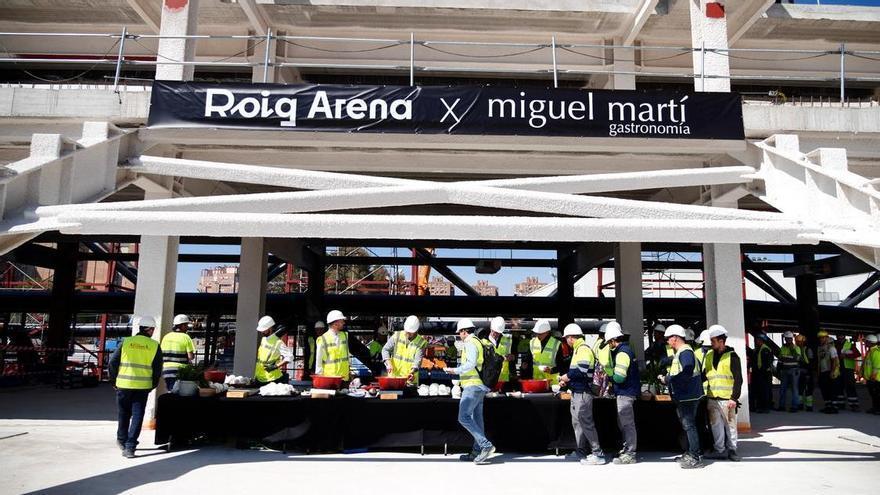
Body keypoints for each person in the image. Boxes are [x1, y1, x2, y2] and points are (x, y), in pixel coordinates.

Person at [109, 315, 163, 459]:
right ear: (150, 330)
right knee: (137, 416)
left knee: (123, 414)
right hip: (142, 387)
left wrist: (113, 381)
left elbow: (113, 362)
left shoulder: (126, 342)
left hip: (123, 385)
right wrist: (153, 384)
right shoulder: (154, 346)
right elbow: (157, 369)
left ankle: (122, 440)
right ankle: (130, 447)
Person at [444, 318, 495, 465]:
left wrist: (454, 370)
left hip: (472, 386)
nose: (459, 335)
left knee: (463, 417)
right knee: (477, 420)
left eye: (459, 332)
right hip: (479, 386)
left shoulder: (470, 343)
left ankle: (485, 445)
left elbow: (471, 364)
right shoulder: (477, 341)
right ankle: (477, 451)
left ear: (464, 331)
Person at [558, 323, 604, 465]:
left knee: (586, 422)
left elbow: (580, 371)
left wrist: (566, 377)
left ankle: (598, 454)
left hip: (583, 392)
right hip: (577, 391)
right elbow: (578, 372)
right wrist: (568, 381)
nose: (566, 341)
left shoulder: (583, 349)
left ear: (571, 337)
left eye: (566, 338)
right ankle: (581, 451)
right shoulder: (578, 349)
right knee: (578, 422)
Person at [660, 325, 705, 469]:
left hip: (688, 396)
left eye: (668, 338)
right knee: (688, 425)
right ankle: (691, 452)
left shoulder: (685, 352)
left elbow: (687, 370)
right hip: (686, 395)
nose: (667, 341)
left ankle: (695, 456)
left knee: (689, 425)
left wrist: (668, 379)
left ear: (675, 338)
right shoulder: (682, 352)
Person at [702, 325, 743, 462]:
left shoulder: (732, 356)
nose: (711, 343)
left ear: (721, 341)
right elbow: (705, 375)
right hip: (712, 397)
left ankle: (732, 450)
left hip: (727, 399)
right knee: (715, 425)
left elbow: (738, 379)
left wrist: (734, 398)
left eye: (713, 341)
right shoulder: (709, 355)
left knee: (730, 426)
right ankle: (719, 450)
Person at [605, 321, 640, 465]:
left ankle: (630, 453)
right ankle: (627, 450)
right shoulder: (626, 350)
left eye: (609, 342)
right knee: (624, 423)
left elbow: (619, 377)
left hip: (625, 393)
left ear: (613, 340)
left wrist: (609, 376)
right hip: (627, 392)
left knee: (627, 424)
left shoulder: (622, 353)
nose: (609, 345)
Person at [382, 315, 427, 385]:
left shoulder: (421, 343)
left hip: (410, 381)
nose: (407, 334)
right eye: (407, 332)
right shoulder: (397, 335)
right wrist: (388, 363)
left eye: (410, 333)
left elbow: (417, 361)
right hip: (394, 378)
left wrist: (412, 372)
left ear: (416, 331)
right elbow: (385, 349)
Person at [159, 314, 196, 391]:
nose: (187, 327)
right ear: (182, 326)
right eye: (186, 325)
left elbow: (161, 354)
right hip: (180, 371)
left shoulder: (166, 336)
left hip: (166, 370)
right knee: (178, 393)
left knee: (170, 391)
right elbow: (191, 357)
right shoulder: (186, 337)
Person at [528, 319, 567, 385]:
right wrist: (525, 363)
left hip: (552, 383)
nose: (538, 336)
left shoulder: (557, 344)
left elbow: (562, 365)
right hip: (537, 381)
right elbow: (529, 359)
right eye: (537, 333)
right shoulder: (532, 342)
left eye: (540, 334)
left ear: (547, 332)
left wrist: (552, 370)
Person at [315, 310, 351, 379]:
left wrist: (350, 369)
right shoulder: (322, 339)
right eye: (341, 321)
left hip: (344, 377)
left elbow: (347, 353)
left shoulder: (345, 335)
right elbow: (318, 361)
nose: (344, 323)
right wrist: (319, 375)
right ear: (335, 323)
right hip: (330, 378)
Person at [255, 316, 289, 384]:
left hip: (272, 378)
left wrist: (275, 366)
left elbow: (289, 357)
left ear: (270, 328)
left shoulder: (278, 342)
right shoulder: (264, 339)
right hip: (260, 376)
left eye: (264, 330)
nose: (262, 332)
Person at [483, 316, 515, 385]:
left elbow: (513, 356)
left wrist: (512, 357)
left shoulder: (507, 340)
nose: (495, 334)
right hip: (489, 378)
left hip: (503, 378)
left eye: (498, 332)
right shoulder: (483, 341)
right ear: (491, 328)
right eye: (494, 331)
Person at [816, 330, 841, 414]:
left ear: (827, 338)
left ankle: (834, 407)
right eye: (820, 338)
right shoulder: (819, 348)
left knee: (832, 390)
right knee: (824, 389)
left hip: (830, 371)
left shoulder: (831, 348)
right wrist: (819, 372)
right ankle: (828, 406)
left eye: (823, 338)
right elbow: (820, 361)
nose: (821, 339)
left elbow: (835, 360)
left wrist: (832, 371)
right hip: (823, 371)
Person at [777, 331, 802, 413]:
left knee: (794, 389)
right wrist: (778, 369)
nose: (787, 340)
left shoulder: (796, 348)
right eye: (786, 339)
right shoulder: (783, 348)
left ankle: (795, 406)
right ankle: (781, 406)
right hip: (784, 370)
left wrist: (791, 349)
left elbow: (797, 358)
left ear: (791, 339)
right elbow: (780, 359)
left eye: (788, 339)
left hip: (794, 370)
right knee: (782, 389)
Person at [838, 335, 861, 411]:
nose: (839, 338)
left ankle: (854, 405)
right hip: (838, 369)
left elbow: (858, 354)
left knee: (850, 387)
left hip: (848, 369)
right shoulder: (836, 345)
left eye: (841, 337)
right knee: (839, 386)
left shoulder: (850, 344)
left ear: (844, 337)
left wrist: (846, 355)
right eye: (838, 336)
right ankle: (840, 404)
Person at [752, 334, 773, 413]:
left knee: (765, 390)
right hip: (759, 372)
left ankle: (765, 407)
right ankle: (761, 406)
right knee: (760, 390)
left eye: (757, 340)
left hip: (765, 373)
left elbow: (768, 362)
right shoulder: (758, 349)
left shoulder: (765, 349)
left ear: (761, 340)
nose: (756, 341)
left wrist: (763, 370)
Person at [796, 334, 815, 411]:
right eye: (797, 341)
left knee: (808, 389)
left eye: (799, 341)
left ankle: (809, 406)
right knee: (799, 389)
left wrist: (809, 373)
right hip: (799, 372)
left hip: (807, 372)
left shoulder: (808, 350)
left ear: (803, 341)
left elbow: (811, 362)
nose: (798, 343)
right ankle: (800, 405)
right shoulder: (796, 349)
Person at [863, 334, 880, 415]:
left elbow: (877, 366)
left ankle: (878, 409)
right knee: (873, 394)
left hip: (876, 378)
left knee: (877, 394)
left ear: (870, 342)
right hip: (871, 378)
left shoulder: (875, 352)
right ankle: (875, 408)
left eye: (866, 341)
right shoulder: (870, 351)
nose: (865, 343)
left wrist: (873, 378)